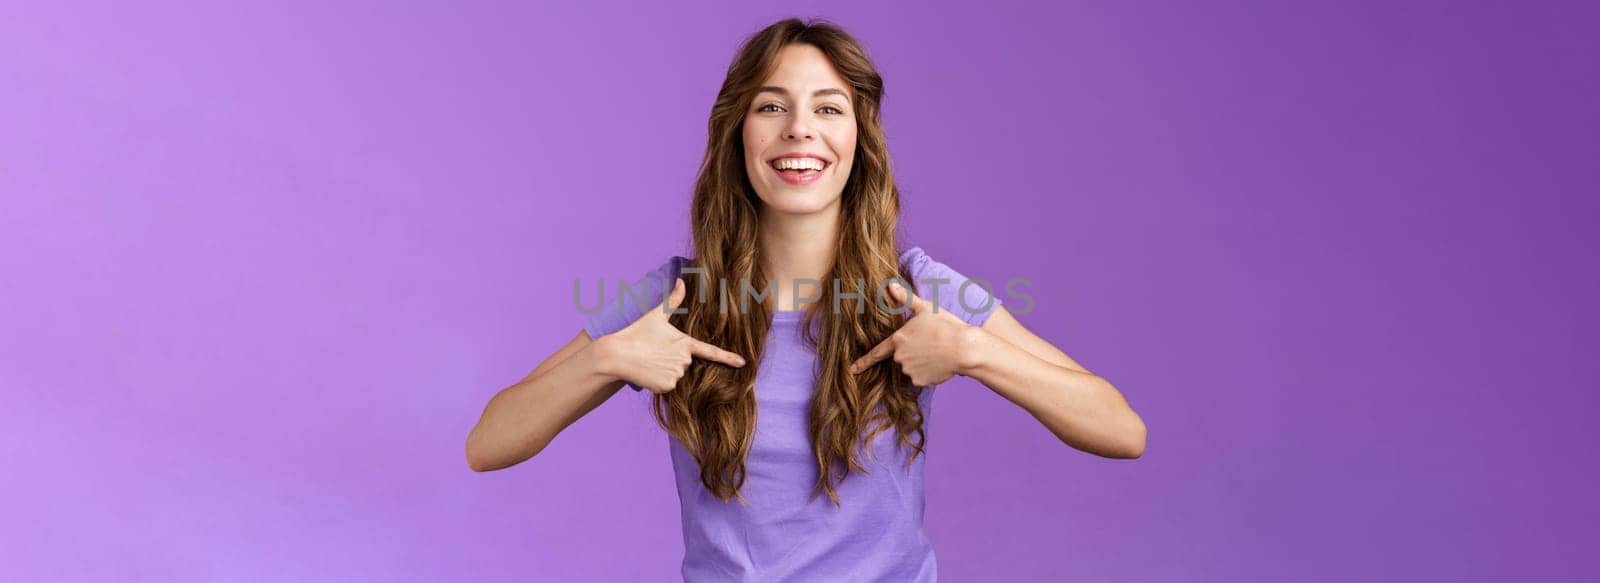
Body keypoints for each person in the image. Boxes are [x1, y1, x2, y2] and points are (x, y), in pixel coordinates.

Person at [466, 17, 1146, 581]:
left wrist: (973, 350)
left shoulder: (918, 290)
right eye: (771, 106)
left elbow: (1121, 429)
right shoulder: (675, 297)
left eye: (828, 107)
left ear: (858, 138)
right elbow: (487, 441)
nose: (799, 129)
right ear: (738, 133)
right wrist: (608, 358)